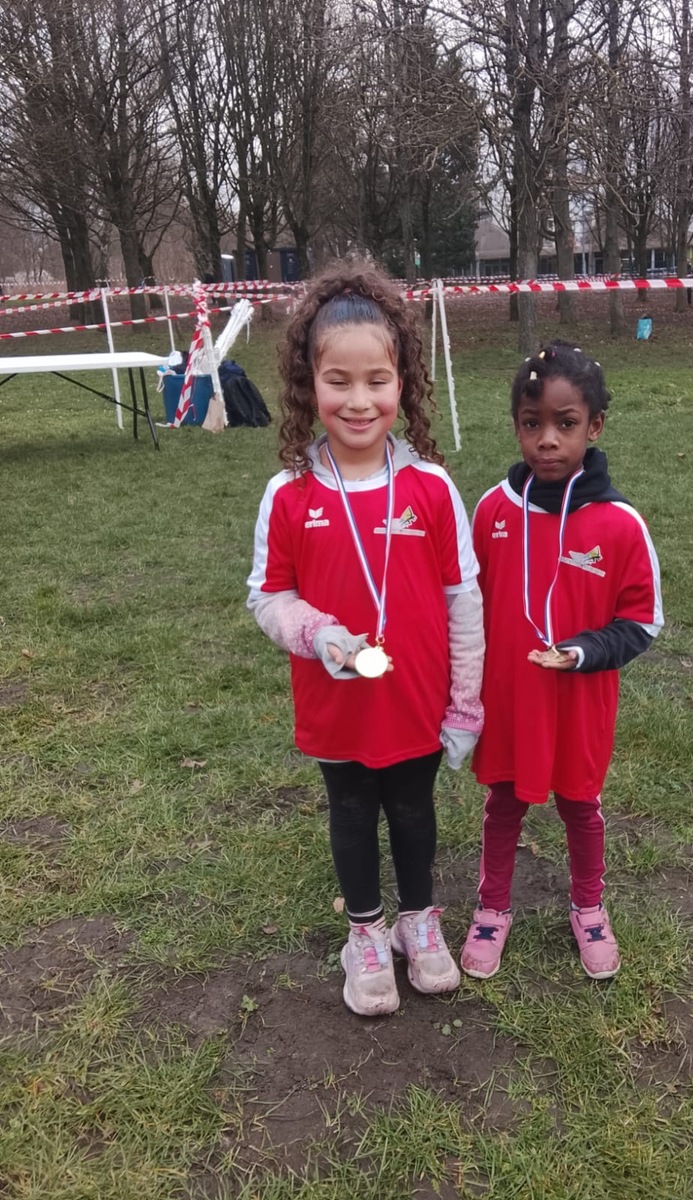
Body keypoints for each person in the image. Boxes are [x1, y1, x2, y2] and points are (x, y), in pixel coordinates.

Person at [247, 262, 484, 1017]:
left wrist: (466, 702)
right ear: (307, 384)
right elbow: (267, 597)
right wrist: (314, 630)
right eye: (338, 381)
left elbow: (463, 600)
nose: (358, 401)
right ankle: (366, 935)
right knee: (350, 809)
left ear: (402, 383)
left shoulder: (432, 487)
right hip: (337, 702)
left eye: (377, 381)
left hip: (417, 699)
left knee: (413, 808)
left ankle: (418, 919)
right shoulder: (290, 493)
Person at [460, 342, 663, 982]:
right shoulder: (493, 511)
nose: (547, 439)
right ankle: (493, 907)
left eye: (565, 423)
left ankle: (589, 906)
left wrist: (582, 651)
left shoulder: (620, 524)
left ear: (594, 426)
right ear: (517, 425)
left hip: (579, 703)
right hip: (509, 701)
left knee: (581, 804)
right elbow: (464, 606)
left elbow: (643, 621)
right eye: (532, 423)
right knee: (503, 802)